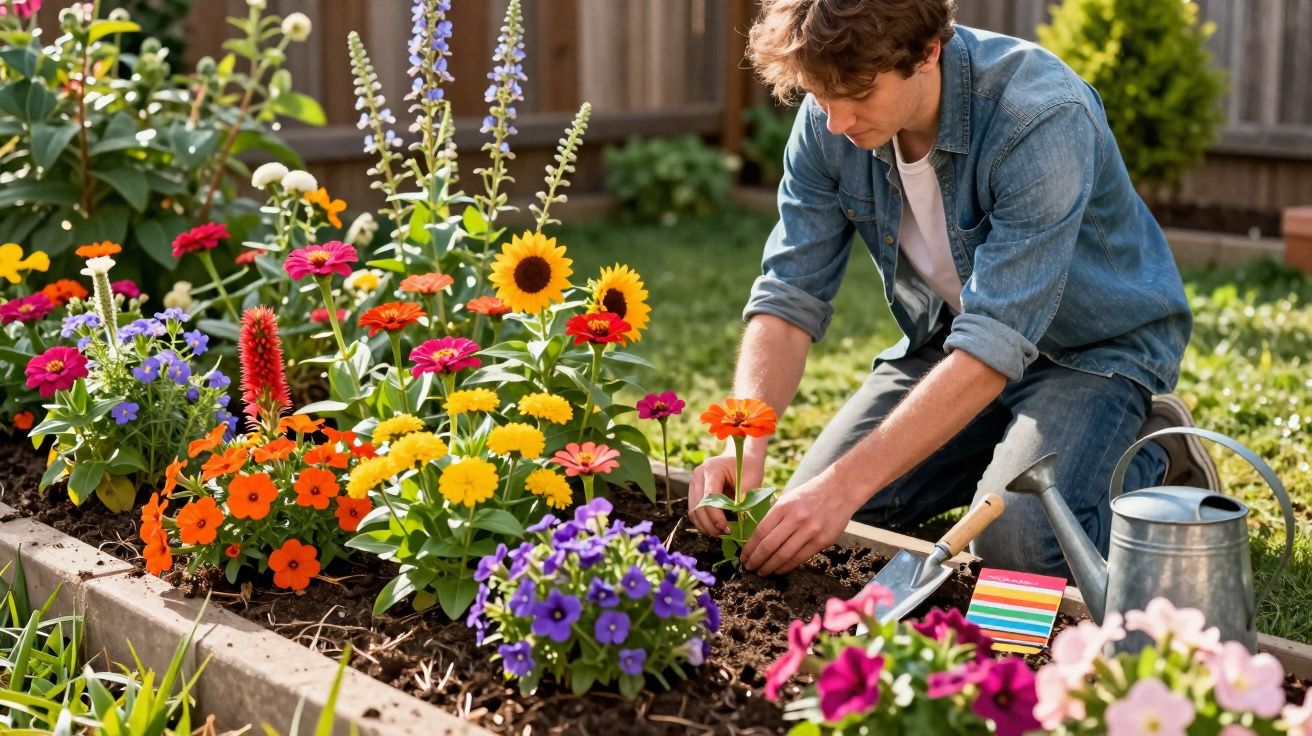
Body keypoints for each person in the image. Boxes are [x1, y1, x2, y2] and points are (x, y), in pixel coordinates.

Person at [686, 0, 1219, 578]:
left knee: (1019, 546)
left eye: (859, 96)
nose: (836, 121)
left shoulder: (1040, 117)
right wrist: (746, 439)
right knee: (817, 514)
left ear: (927, 53)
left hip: (1090, 352)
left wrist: (841, 486)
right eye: (820, 95)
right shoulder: (830, 118)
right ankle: (995, 452)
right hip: (953, 344)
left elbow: (994, 342)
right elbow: (789, 292)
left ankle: (1156, 452)